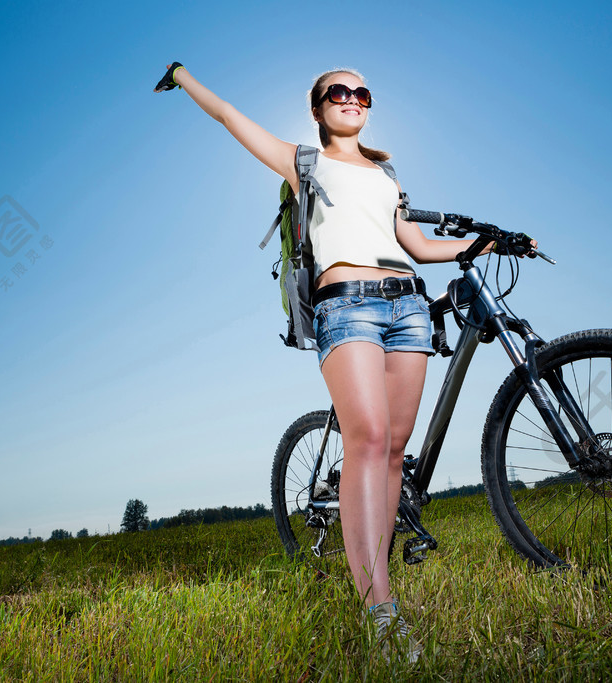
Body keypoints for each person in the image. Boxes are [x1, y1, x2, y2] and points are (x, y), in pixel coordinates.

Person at [153, 62, 514, 659]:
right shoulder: (303, 163)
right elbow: (227, 116)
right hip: (346, 309)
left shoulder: (385, 174)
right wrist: (184, 77)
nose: (351, 99)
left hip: (408, 308)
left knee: (394, 449)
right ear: (318, 109)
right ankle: (381, 612)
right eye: (336, 93)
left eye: (361, 92)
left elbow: (418, 246)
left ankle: (379, 577)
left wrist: (486, 244)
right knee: (367, 441)